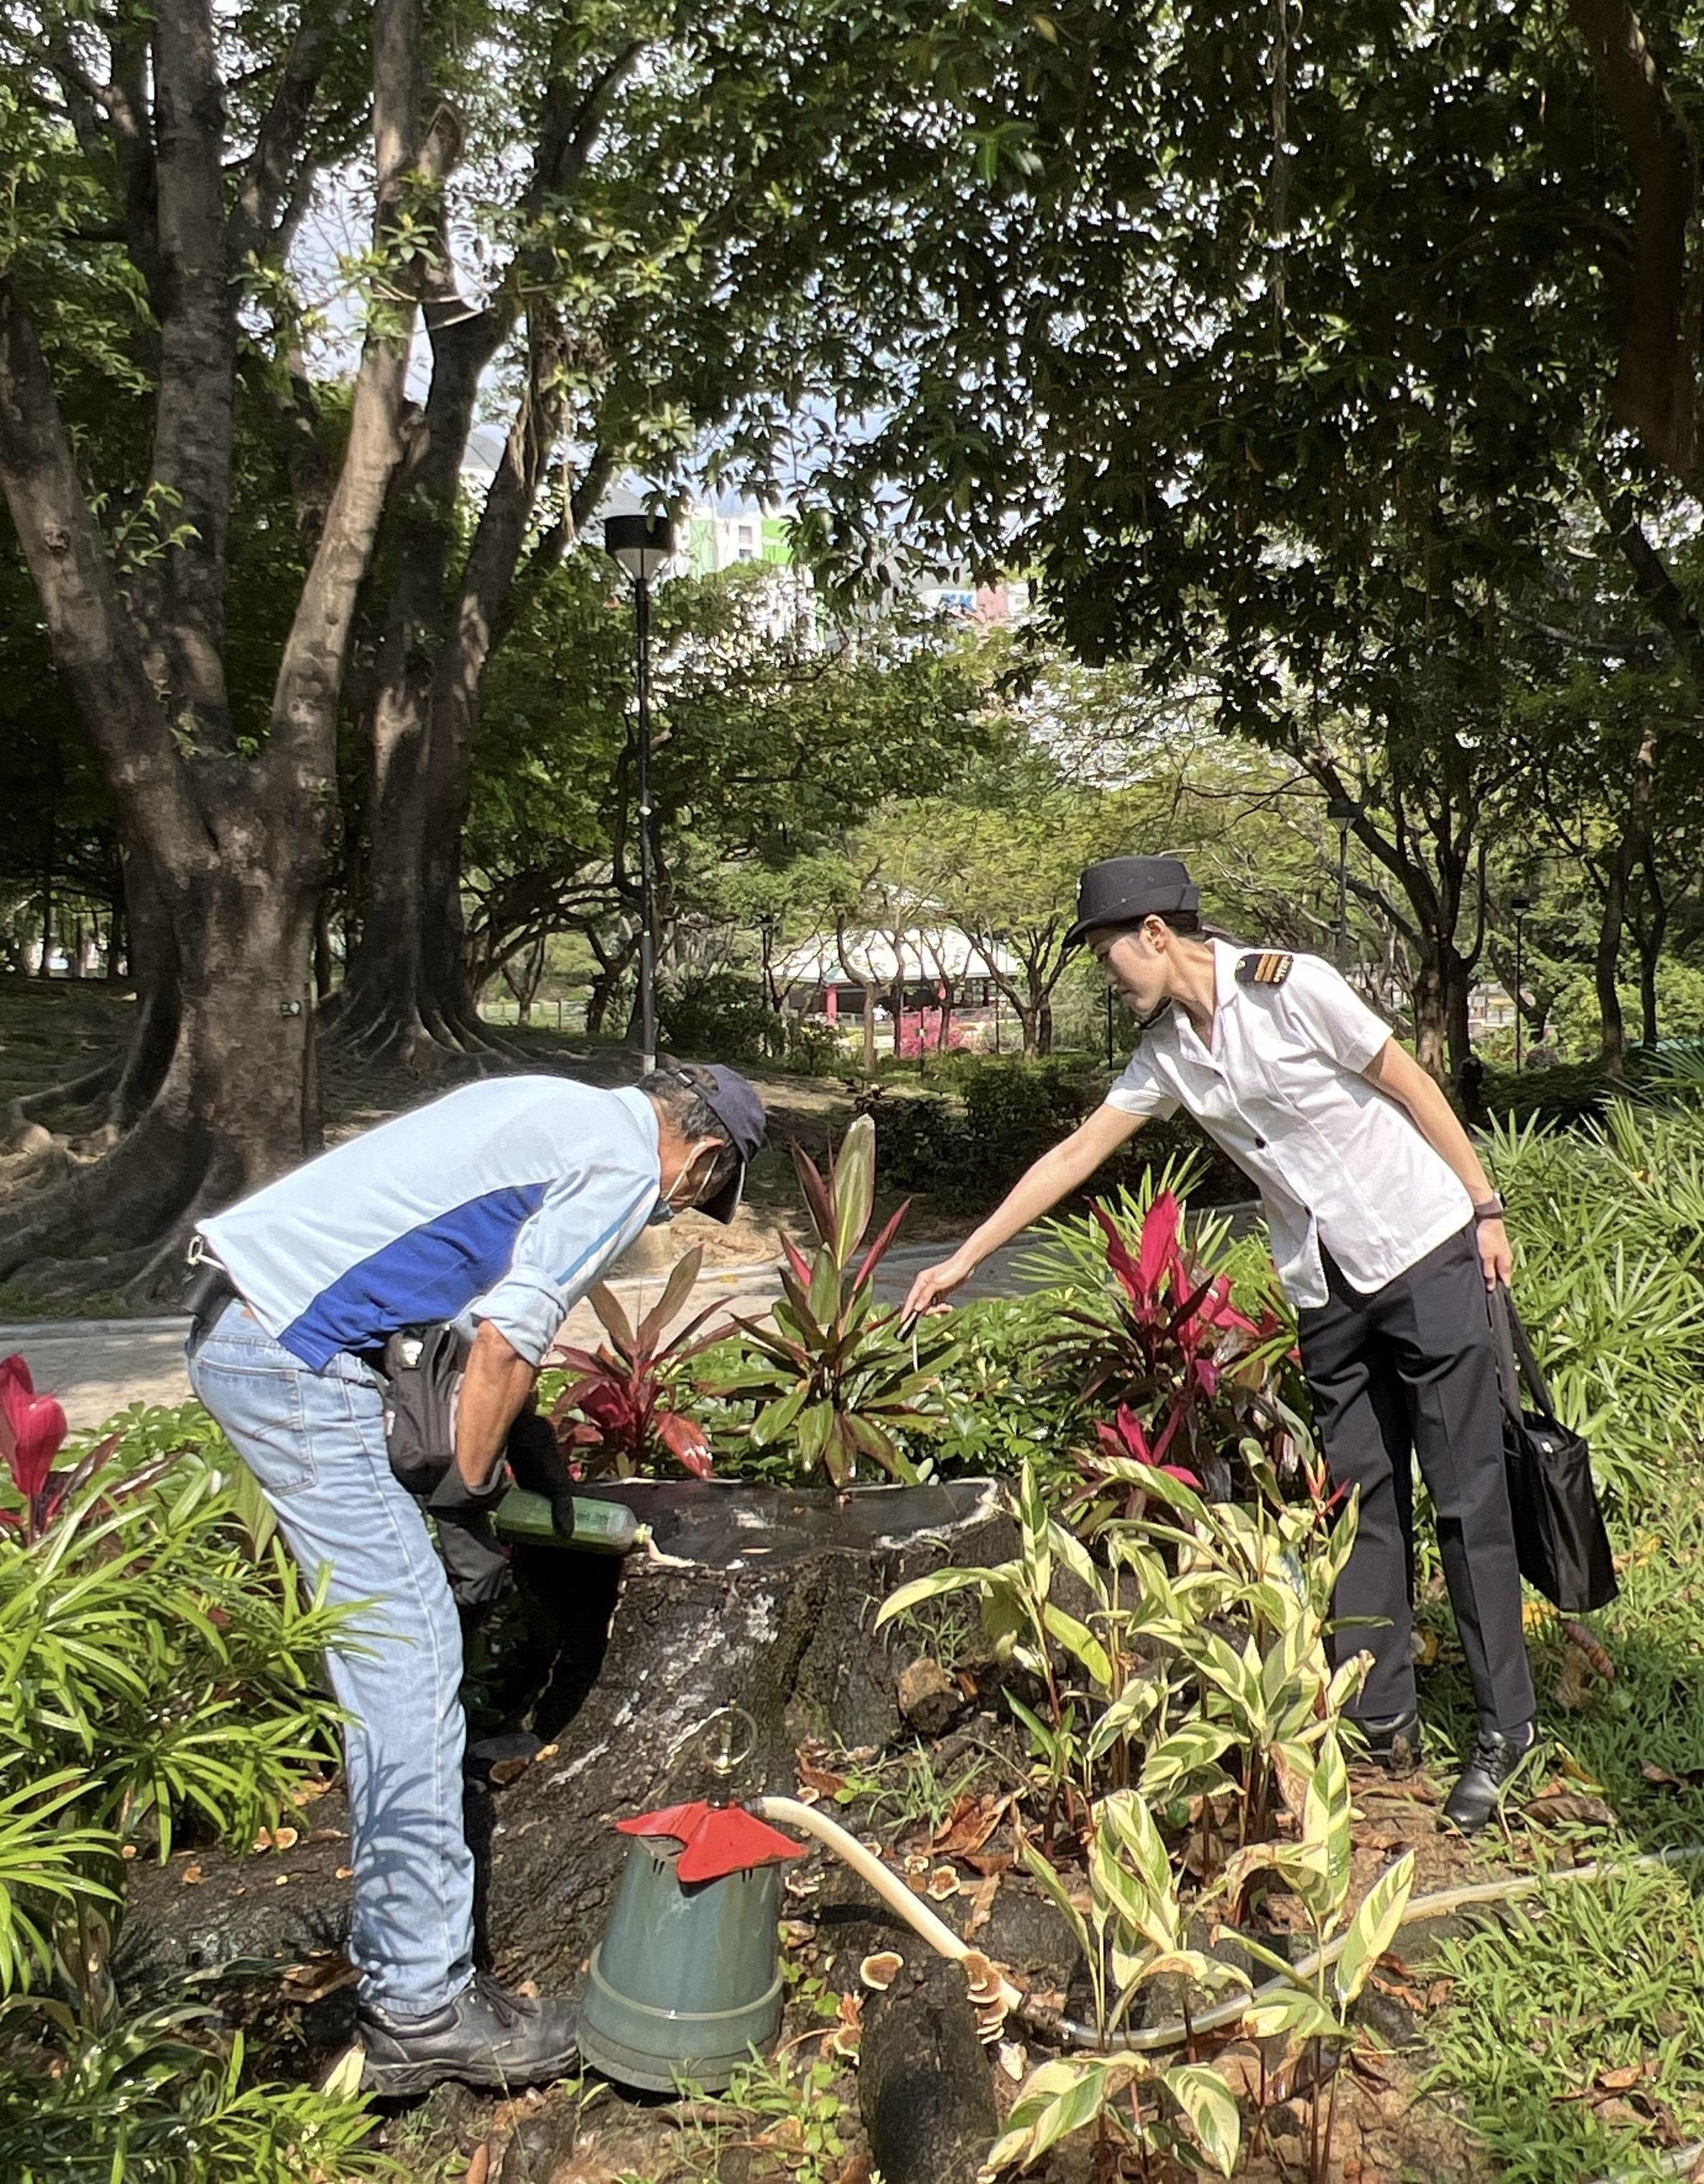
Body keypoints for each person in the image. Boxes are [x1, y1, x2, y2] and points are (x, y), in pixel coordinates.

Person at [902, 856, 1537, 1835]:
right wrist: (966, 1258)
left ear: (1156, 934)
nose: (1108, 974)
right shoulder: (1167, 1054)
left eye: (1109, 951)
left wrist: (1485, 1204)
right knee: (1360, 1502)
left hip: (1421, 1249)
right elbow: (1076, 1154)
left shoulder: (1292, 990)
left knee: (1464, 1494)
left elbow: (1409, 1080)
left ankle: (1504, 1729)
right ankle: (1383, 1716)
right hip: (1326, 1287)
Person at [182, 1063, 766, 2093]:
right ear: (706, 1155)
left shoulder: (557, 1107)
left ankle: (415, 1959)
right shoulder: (627, 1163)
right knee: (406, 1663)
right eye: (699, 1195)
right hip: (290, 1356)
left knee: (396, 1656)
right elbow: (510, 1334)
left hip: (261, 1328)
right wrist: (467, 1485)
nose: (680, 1210)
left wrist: (505, 1444)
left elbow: (449, 1277)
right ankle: (418, 2005)